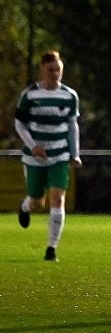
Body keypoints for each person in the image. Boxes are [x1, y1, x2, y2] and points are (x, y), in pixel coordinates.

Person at [15, 50, 82, 262]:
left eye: (58, 70)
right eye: (50, 70)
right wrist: (33, 145)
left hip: (59, 155)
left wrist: (75, 153)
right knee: (37, 202)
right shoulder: (30, 95)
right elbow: (19, 123)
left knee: (57, 198)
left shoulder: (70, 96)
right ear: (43, 70)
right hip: (34, 157)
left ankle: (51, 248)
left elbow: (72, 125)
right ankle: (25, 207)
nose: (55, 73)